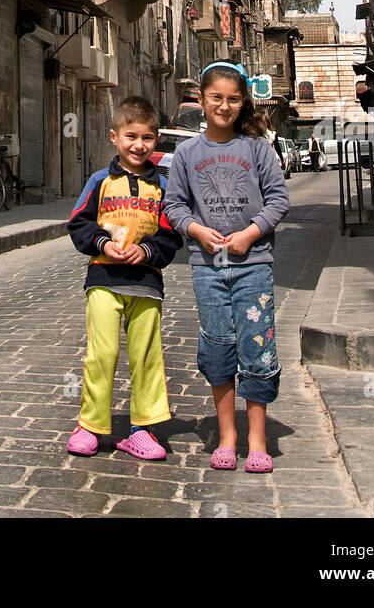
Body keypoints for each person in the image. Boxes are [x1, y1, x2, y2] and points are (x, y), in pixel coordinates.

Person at [163, 61, 289, 474]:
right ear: (202, 100)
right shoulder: (187, 153)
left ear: (243, 102)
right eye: (216, 97)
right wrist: (197, 230)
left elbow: (277, 200)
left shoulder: (257, 149)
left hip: (254, 265)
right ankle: (226, 436)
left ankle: (256, 439)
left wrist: (250, 234)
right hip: (207, 266)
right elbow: (175, 205)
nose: (224, 105)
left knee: (257, 345)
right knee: (218, 346)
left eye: (233, 99)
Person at [66, 95, 183, 460]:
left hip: (146, 286)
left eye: (147, 138)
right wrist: (102, 242)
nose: (139, 145)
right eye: (131, 136)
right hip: (103, 279)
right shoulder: (100, 181)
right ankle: (90, 424)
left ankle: (141, 429)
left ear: (156, 140)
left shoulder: (161, 189)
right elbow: (79, 224)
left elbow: (170, 236)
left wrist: (146, 251)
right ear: (114, 137)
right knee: (102, 354)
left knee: (146, 356)